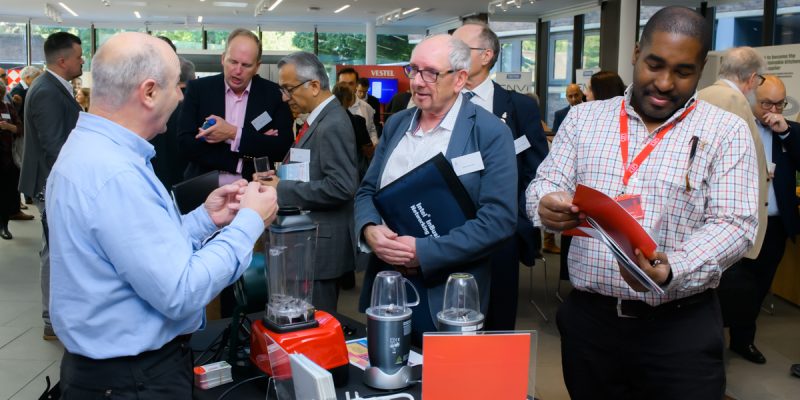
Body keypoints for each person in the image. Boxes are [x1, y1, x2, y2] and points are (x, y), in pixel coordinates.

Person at [527, 7, 758, 399]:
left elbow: (735, 224)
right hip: (591, 324)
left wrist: (673, 269)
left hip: (679, 329)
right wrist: (544, 205)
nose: (664, 83)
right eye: (654, 65)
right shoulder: (584, 119)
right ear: (636, 53)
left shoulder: (726, 130)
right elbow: (545, 183)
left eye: (683, 71)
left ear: (701, 69)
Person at [47, 32, 278, 399]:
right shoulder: (116, 174)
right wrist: (250, 222)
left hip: (113, 374)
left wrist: (204, 219)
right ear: (150, 92)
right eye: (175, 86)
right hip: (133, 380)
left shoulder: (96, 152)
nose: (182, 97)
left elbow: (139, 249)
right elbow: (181, 290)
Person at [355, 34, 517, 345]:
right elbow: (366, 191)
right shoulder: (397, 124)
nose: (417, 81)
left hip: (449, 295)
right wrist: (369, 229)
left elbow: (498, 221)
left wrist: (423, 252)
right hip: (388, 284)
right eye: (413, 69)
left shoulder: (490, 132)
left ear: (459, 79)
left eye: (430, 73)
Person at [452, 21, 549, 330]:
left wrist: (516, 217)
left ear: (486, 55)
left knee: (497, 322)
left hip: (500, 233)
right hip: (445, 229)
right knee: (449, 318)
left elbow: (535, 169)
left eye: (461, 48)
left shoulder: (519, 107)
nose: (452, 54)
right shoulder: (440, 100)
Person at [259, 51, 358, 312]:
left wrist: (281, 189)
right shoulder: (319, 119)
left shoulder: (333, 123)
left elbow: (342, 187)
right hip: (309, 244)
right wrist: (277, 178)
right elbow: (314, 171)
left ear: (314, 85)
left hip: (319, 249)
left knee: (315, 324)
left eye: (289, 89)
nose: (285, 97)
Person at [721, 75, 800, 365]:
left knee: (759, 285)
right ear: (752, 98)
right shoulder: (737, 127)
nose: (773, 110)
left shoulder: (790, 131)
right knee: (729, 285)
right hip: (742, 223)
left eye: (780, 104)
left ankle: (743, 340)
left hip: (776, 225)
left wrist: (786, 134)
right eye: (767, 103)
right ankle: (712, 340)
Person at [18, 31, 84, 341]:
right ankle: (51, 320)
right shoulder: (46, 91)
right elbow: (54, 146)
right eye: (78, 56)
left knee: (56, 249)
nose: (82, 61)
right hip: (50, 183)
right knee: (54, 251)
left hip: (52, 181)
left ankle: (56, 315)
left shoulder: (52, 87)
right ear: (62, 60)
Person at [178, 28, 293, 181]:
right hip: (203, 187)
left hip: (254, 187)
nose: (238, 70)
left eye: (246, 65)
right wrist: (243, 156)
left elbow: (282, 148)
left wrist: (233, 133)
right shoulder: (199, 89)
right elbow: (185, 144)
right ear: (223, 58)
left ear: (257, 66)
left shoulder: (274, 95)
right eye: (233, 62)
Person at [698, 46, 769, 262]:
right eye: (760, 80)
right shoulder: (733, 100)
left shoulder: (703, 94)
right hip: (725, 222)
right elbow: (733, 161)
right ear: (753, 78)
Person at [150, 55, 195, 189]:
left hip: (155, 180)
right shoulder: (195, 107)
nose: (179, 97)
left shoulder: (152, 107)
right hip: (187, 184)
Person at [332, 82, 373, 180]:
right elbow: (368, 150)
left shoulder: (324, 119)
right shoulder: (358, 121)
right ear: (350, 100)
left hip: (331, 170)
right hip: (353, 172)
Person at [0, 80, 23, 239]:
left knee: (5, 194)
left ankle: (4, 226)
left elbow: (20, 129)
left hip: (7, 159)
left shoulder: (8, 108)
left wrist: (9, 127)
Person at [337, 68, 379, 146]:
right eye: (343, 83)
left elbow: (371, 130)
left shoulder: (367, 108)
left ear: (356, 85)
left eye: (351, 84)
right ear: (337, 84)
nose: (347, 87)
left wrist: (374, 143)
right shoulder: (330, 109)